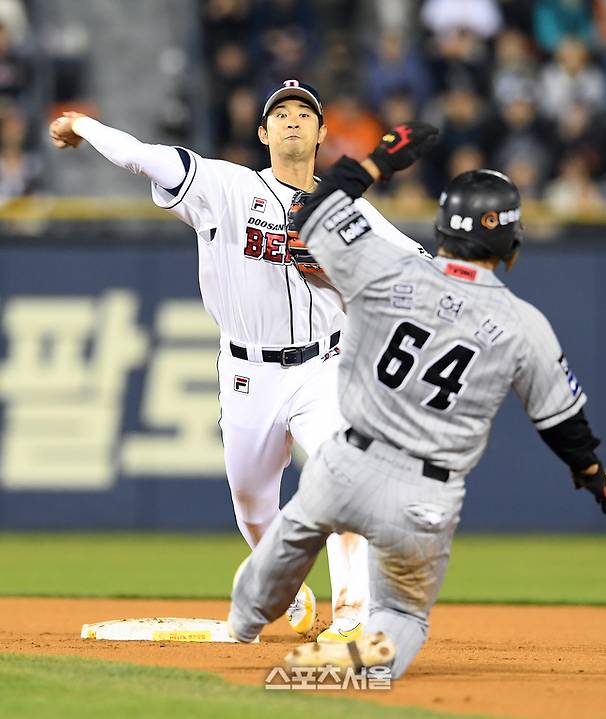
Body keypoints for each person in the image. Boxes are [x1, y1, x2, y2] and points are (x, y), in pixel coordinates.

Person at [227, 122, 606, 678]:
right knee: (403, 612)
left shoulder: (388, 270)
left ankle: (243, 627)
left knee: (287, 541)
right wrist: (590, 470)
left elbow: (311, 211)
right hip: (426, 495)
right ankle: (349, 671)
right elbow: (564, 423)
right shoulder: (522, 323)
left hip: (347, 464)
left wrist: (377, 163)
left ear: (441, 226)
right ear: (511, 244)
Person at [48, 80, 430, 643]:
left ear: (324, 133)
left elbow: (415, 269)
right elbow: (142, 157)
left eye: (305, 114)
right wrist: (82, 126)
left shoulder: (348, 213)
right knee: (253, 506)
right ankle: (287, 586)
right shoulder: (225, 187)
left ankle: (353, 618)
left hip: (323, 368)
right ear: (263, 131)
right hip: (249, 374)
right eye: (281, 114)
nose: (293, 120)